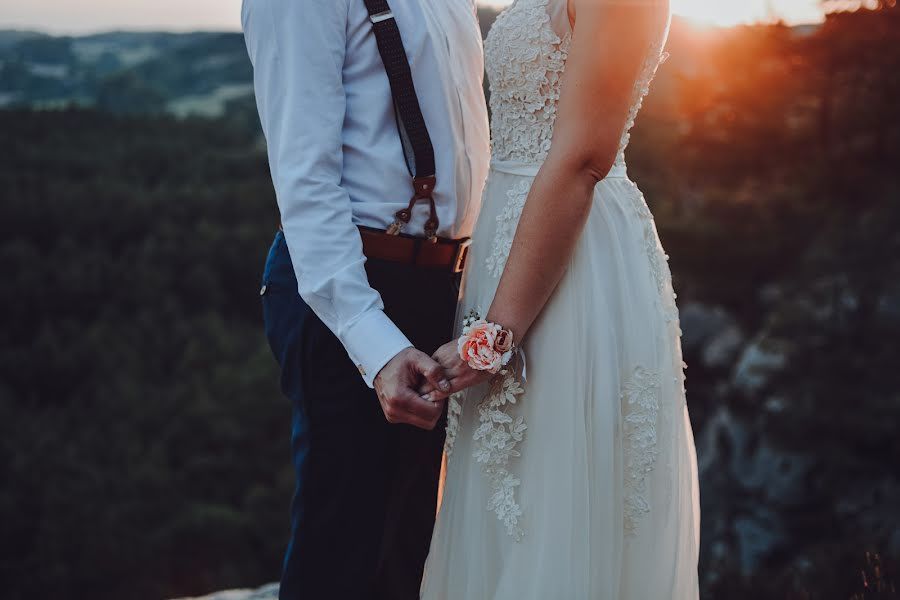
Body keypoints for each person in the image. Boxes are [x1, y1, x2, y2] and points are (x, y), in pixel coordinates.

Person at [419, 0, 701, 597]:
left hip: (572, 258)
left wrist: (496, 332)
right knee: (504, 498)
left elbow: (582, 158)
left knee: (556, 499)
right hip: (509, 246)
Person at [240, 0, 489, 598]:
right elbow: (306, 180)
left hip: (444, 284)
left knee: (415, 552)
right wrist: (373, 343)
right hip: (350, 286)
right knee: (344, 550)